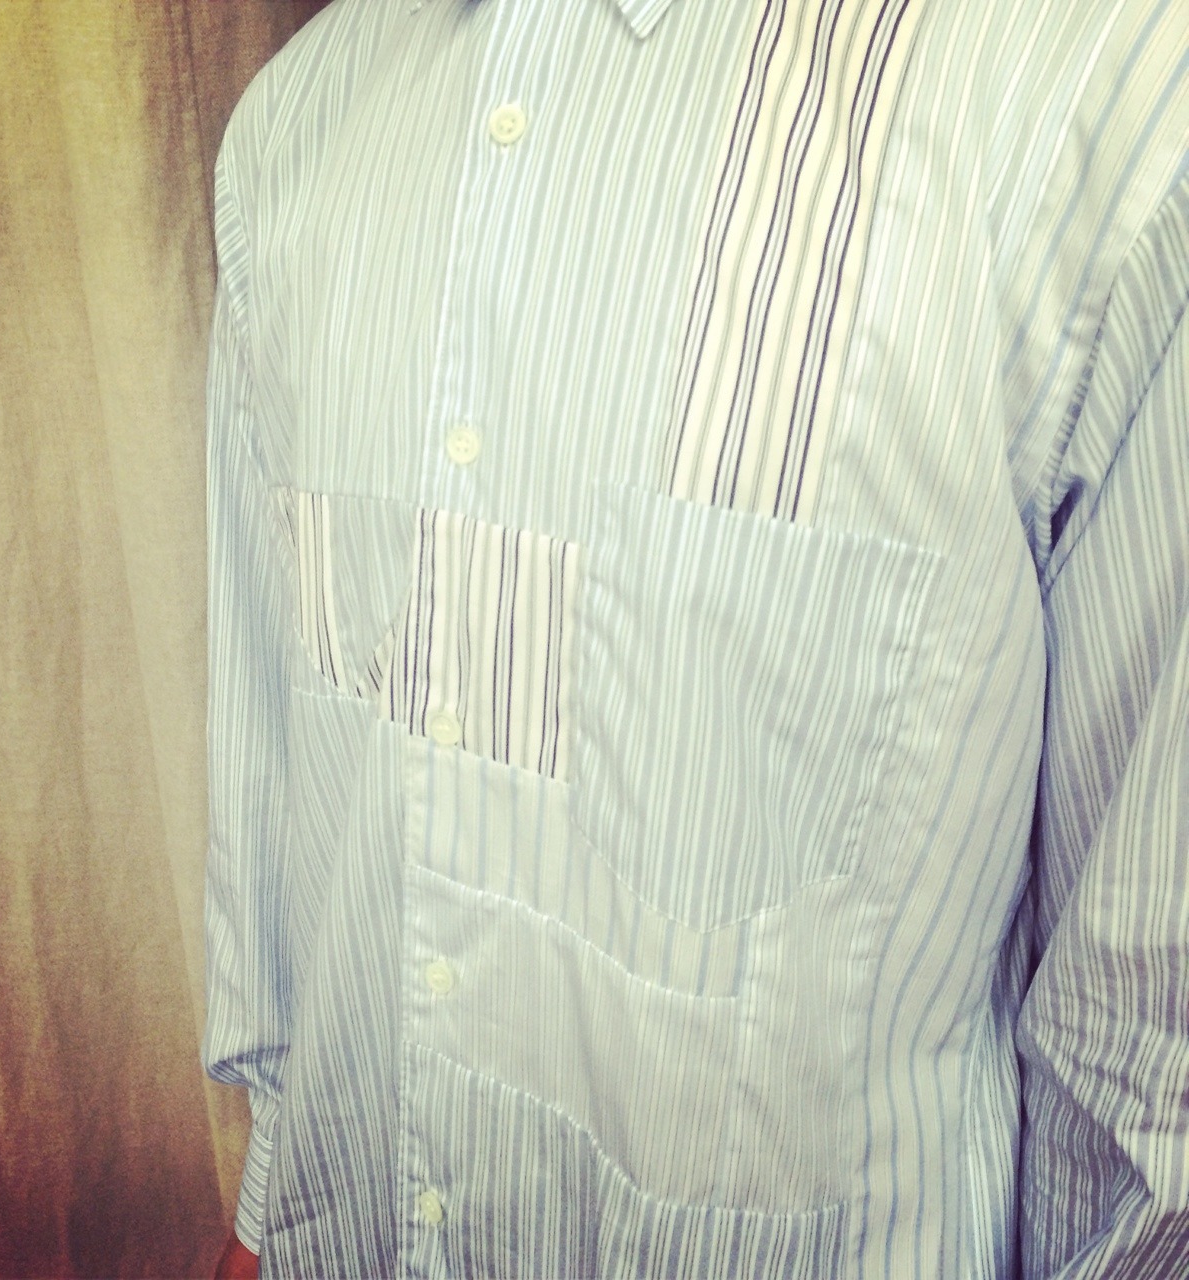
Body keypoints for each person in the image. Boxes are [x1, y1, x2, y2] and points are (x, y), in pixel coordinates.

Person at [202, 0, 1189, 1275]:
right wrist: (273, 1206)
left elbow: (1146, 1080)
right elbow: (293, 812)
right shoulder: (294, 132)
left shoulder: (1106, 100)